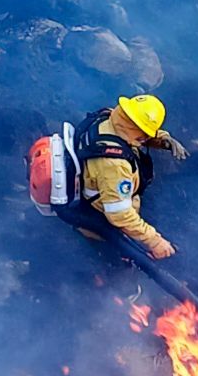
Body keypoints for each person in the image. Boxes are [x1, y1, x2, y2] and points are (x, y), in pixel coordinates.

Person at [73, 94, 189, 259]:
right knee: (120, 267)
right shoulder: (114, 166)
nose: (146, 138)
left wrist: (163, 140)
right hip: (101, 224)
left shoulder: (108, 119)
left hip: (100, 193)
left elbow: (132, 132)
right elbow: (119, 214)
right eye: (145, 134)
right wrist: (154, 241)